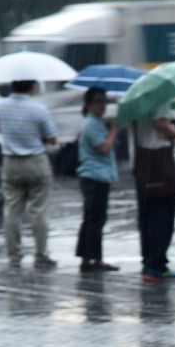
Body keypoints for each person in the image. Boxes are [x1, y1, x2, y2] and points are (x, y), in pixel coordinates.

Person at [0, 80, 58, 269]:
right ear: (31, 86)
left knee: (12, 210)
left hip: (10, 162)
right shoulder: (39, 109)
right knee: (39, 210)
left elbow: (1, 131)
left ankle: (14, 255)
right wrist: (37, 136)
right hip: (36, 162)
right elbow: (52, 138)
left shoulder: (0, 107)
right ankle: (41, 254)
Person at [133, 103, 175, 283]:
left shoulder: (139, 100)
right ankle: (155, 265)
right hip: (160, 161)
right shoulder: (160, 98)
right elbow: (160, 124)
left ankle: (152, 264)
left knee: (148, 216)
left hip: (143, 160)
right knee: (163, 217)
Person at [76, 87, 120, 273]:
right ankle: (94, 260)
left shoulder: (95, 122)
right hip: (95, 177)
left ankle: (89, 259)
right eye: (98, 101)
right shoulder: (92, 124)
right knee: (95, 220)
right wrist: (114, 131)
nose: (102, 105)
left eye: (104, 101)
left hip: (96, 176)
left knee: (93, 218)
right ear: (88, 104)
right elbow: (103, 148)